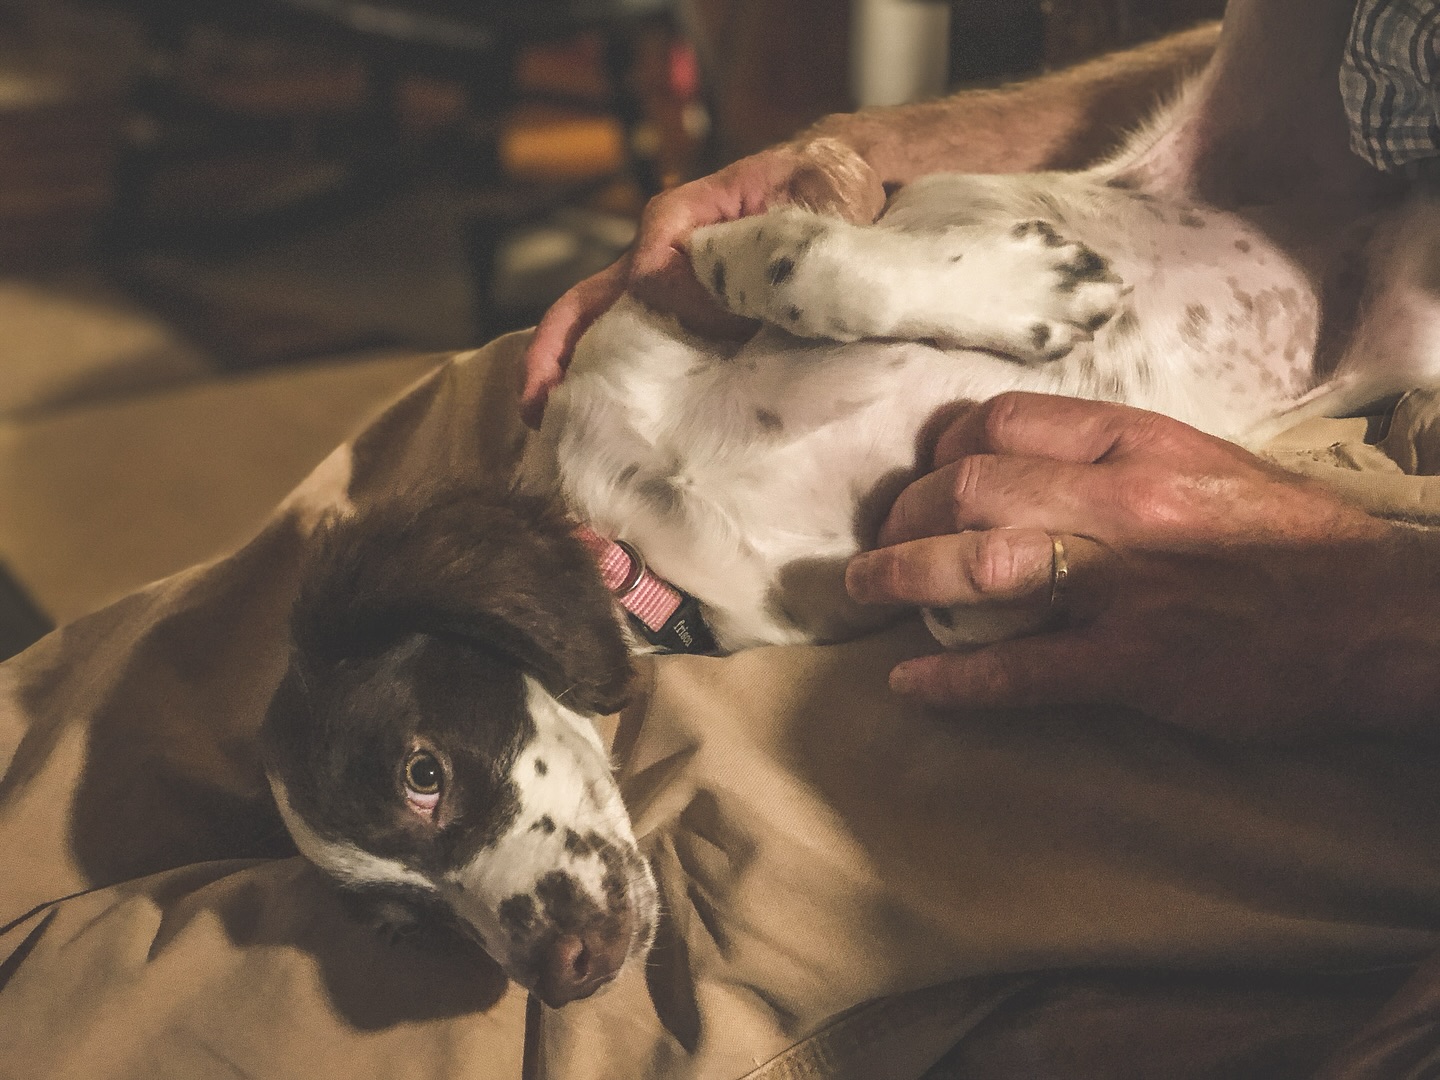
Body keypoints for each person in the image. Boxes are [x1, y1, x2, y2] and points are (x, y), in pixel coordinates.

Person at [520, 0, 1440, 744]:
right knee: (464, 409)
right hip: (1205, 181)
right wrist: (854, 156)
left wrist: (1367, 601)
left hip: (1372, 434)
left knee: (729, 823)